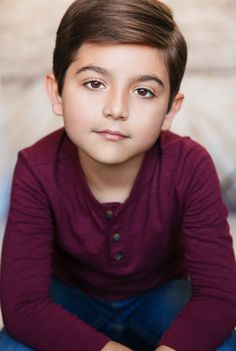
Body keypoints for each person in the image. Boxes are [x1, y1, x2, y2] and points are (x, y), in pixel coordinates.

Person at [0, 0, 236, 350]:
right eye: (94, 83)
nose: (116, 109)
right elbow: (23, 306)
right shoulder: (36, 167)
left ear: (170, 110)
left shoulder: (191, 165)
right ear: (57, 93)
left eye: (143, 91)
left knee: (222, 342)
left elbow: (219, 299)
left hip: (160, 295)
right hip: (70, 300)